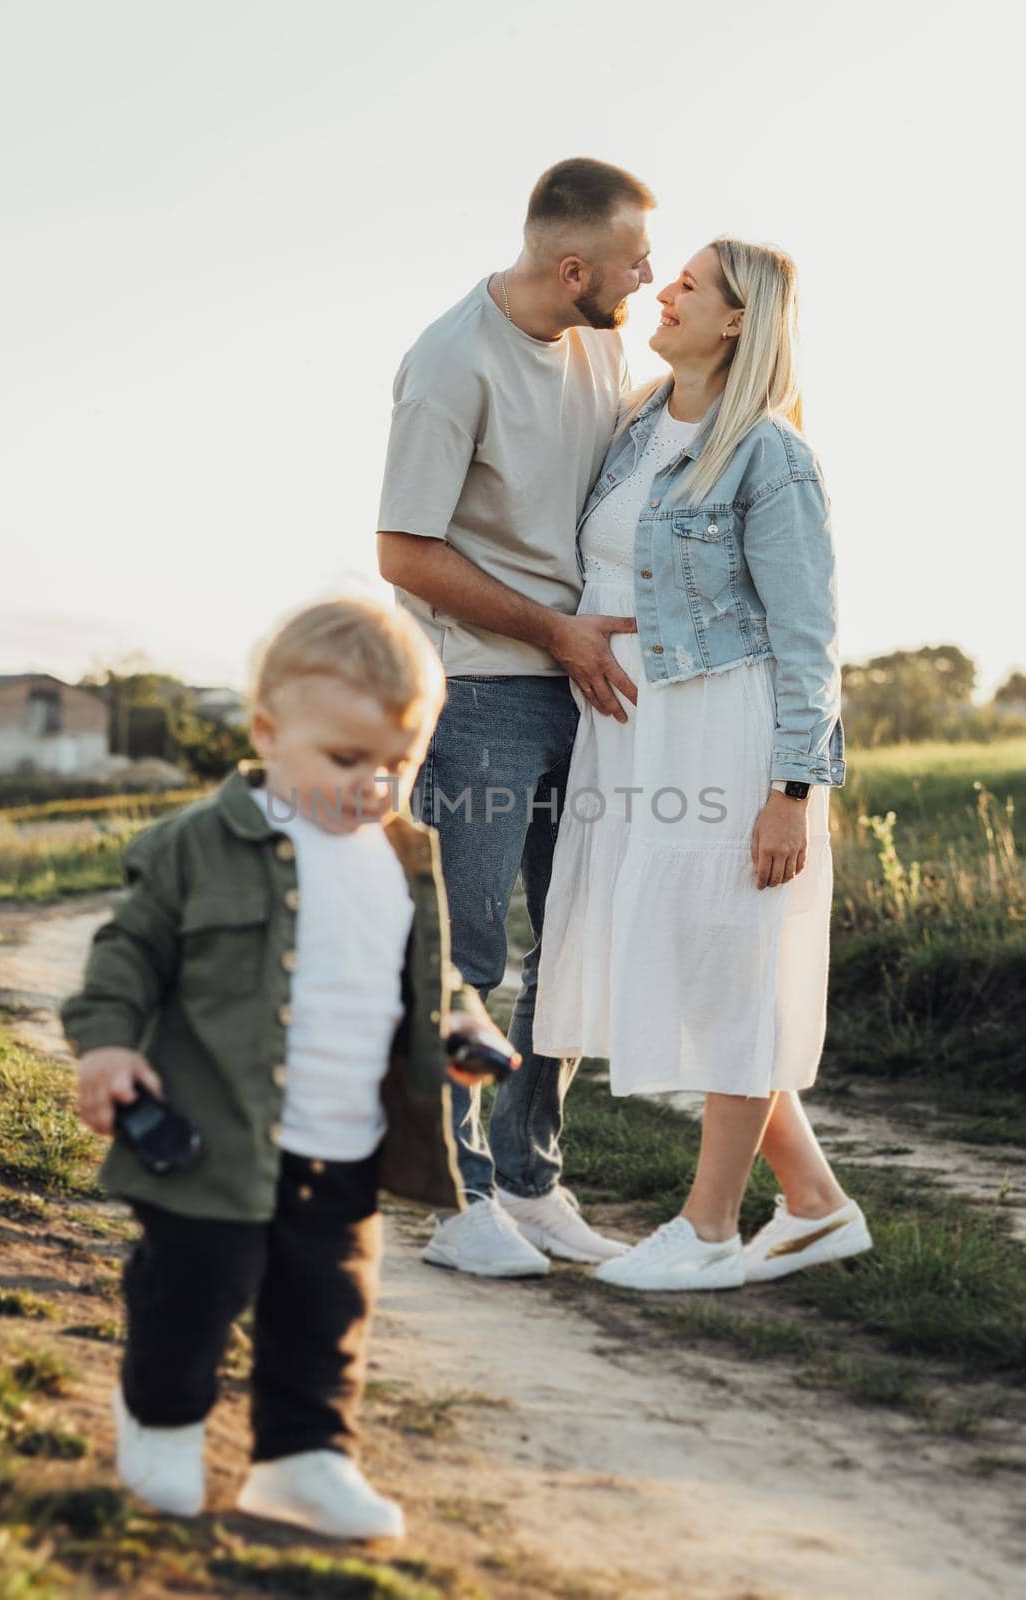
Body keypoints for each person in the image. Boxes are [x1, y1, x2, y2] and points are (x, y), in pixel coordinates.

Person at [60, 597, 517, 1538]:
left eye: (400, 763)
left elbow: (431, 980)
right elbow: (127, 951)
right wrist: (106, 1045)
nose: (373, 787)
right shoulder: (200, 844)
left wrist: (462, 1028)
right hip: (212, 1140)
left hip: (342, 1142)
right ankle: (162, 1424)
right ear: (268, 732)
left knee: (326, 1308)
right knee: (193, 1291)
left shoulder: (399, 860)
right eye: (345, 760)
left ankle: (303, 1459)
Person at [532, 239, 873, 1291]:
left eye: (689, 285)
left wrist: (791, 792)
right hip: (633, 735)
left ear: (736, 322)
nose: (664, 291)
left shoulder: (769, 454)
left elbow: (807, 639)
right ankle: (814, 1205)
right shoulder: (637, 425)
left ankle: (711, 1226)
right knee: (687, 968)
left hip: (722, 733)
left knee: (731, 976)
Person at [377, 156, 656, 1278]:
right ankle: (457, 1197)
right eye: (635, 257)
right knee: (471, 950)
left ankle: (531, 1180)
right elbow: (402, 549)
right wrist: (555, 633)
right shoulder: (449, 364)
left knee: (575, 944)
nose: (649, 272)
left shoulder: (601, 336)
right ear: (572, 265)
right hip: (484, 689)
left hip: (587, 684)